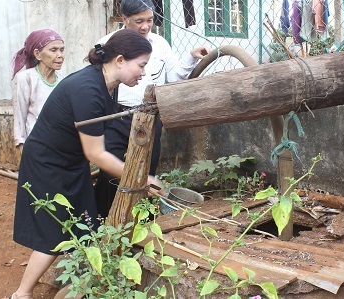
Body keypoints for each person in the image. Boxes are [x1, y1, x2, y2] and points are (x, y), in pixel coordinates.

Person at [11, 29, 163, 299]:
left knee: (83, 224)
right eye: (140, 65)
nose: (143, 72)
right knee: (54, 231)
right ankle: (21, 294)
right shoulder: (88, 89)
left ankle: (77, 285)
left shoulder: (105, 84)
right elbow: (96, 154)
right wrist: (141, 180)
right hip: (49, 163)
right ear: (119, 60)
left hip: (70, 161)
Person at [94, 0, 210, 217]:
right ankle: (101, 221)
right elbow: (97, 82)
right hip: (116, 115)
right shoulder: (107, 43)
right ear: (124, 19)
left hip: (149, 116)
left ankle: (141, 221)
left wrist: (191, 57)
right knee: (110, 171)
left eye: (149, 20)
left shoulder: (160, 44)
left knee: (147, 169)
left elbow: (174, 77)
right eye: (139, 21)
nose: (146, 26)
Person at [12, 29, 65, 153]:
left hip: (60, 147)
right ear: (37, 54)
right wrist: (22, 148)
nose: (60, 55)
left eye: (62, 50)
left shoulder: (63, 79)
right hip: (36, 147)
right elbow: (20, 116)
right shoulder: (25, 79)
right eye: (53, 50)